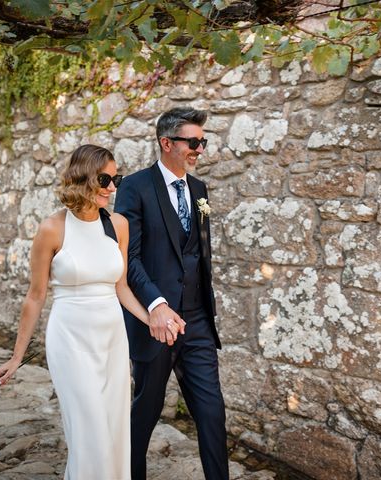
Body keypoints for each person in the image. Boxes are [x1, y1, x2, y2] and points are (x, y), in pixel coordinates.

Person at [0, 144, 152, 480]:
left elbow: (121, 286)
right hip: (70, 340)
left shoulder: (118, 225)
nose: (113, 187)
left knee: (112, 433)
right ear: (84, 178)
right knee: (89, 436)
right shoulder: (52, 228)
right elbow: (35, 296)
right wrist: (16, 356)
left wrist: (151, 318)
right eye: (105, 179)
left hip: (111, 341)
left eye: (116, 178)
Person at [114, 107, 229, 480]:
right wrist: (156, 305)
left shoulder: (199, 190)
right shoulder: (135, 186)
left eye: (203, 142)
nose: (199, 149)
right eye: (193, 142)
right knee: (145, 413)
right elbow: (128, 259)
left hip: (196, 321)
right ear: (167, 143)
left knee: (211, 412)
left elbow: (196, 254)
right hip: (155, 322)